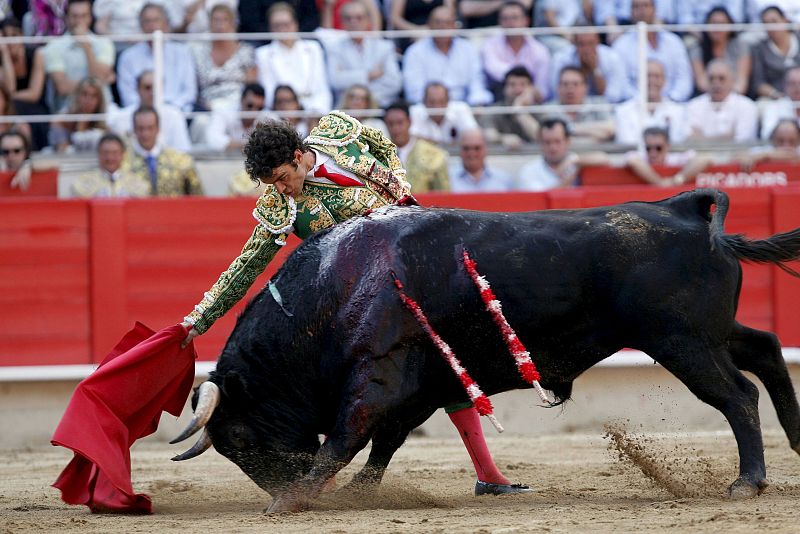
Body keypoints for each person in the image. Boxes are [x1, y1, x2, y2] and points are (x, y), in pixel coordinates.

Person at [181, 111, 530, 496]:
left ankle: (488, 474)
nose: (280, 189)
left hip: (414, 270)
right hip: (358, 305)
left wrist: (398, 182)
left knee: (447, 367)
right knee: (351, 379)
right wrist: (198, 320)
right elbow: (246, 266)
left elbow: (381, 143)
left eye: (282, 177)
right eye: (271, 184)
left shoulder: (335, 131)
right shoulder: (280, 208)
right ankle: (325, 476)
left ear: (298, 156)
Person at [402, 6, 493, 106]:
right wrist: (436, 104)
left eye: (447, 23)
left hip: (464, 107)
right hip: (429, 108)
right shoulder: (415, 52)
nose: (442, 27)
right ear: (429, 25)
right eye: (438, 22)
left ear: (455, 26)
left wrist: (476, 103)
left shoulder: (468, 49)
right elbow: (414, 92)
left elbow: (477, 83)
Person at [116, 3, 198, 113]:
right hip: (141, 117)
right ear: (141, 25)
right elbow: (128, 97)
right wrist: (149, 112)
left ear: (165, 24)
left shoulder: (182, 52)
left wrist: (171, 110)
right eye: (147, 21)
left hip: (179, 113)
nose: (152, 26)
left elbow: (189, 92)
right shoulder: (128, 57)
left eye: (156, 20)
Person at [255, 3, 332, 114]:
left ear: (295, 24)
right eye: (277, 25)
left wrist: (317, 112)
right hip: (280, 112)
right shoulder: (262, 54)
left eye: (286, 24)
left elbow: (321, 87)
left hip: (313, 109)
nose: (282, 29)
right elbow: (269, 91)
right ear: (270, 28)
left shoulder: (313, 48)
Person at [611, 0, 694, 102]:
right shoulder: (621, 45)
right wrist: (642, 102)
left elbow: (684, 79)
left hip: (672, 106)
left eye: (646, 6)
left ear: (655, 10)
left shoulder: (673, 41)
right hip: (634, 107)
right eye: (636, 7)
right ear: (630, 12)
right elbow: (621, 84)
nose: (642, 11)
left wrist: (669, 100)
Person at [42, 0, 115, 113]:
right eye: (75, 16)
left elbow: (98, 77)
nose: (79, 21)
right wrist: (99, 82)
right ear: (66, 18)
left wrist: (86, 47)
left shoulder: (104, 43)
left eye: (83, 16)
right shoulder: (53, 47)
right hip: (70, 109)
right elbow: (62, 87)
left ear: (90, 18)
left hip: (104, 109)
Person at [326, 0, 402, 108]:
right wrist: (368, 75)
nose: (354, 22)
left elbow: (394, 83)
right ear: (342, 23)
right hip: (346, 110)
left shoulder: (384, 47)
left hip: (380, 107)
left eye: (359, 18)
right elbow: (335, 80)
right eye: (348, 18)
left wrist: (365, 100)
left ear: (368, 21)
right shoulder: (334, 48)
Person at [190, 3, 257, 111]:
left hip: (238, 107)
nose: (220, 25)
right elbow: (194, 88)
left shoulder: (246, 51)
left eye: (224, 20)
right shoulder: (198, 52)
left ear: (233, 24)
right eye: (216, 20)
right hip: (207, 107)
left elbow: (251, 86)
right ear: (209, 23)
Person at [125, 106, 204, 196]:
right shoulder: (122, 162)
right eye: (141, 128)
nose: (145, 134)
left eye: (150, 128)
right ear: (134, 130)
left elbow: (197, 197)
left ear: (158, 129)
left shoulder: (180, 161)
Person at [480, 1, 550, 102]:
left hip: (530, 101)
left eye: (515, 18)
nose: (510, 23)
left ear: (526, 21)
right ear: (499, 22)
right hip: (499, 99)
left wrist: (525, 91)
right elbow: (494, 70)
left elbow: (543, 89)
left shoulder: (540, 50)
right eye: (505, 19)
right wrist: (520, 82)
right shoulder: (489, 45)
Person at [107, 71, 191, 152]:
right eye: (147, 88)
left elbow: (182, 150)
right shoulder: (121, 118)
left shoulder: (174, 115)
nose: (152, 92)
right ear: (138, 89)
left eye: (156, 88)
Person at [517, 117, 609, 191]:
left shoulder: (574, 160)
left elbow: (604, 158)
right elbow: (542, 200)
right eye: (547, 142)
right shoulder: (529, 171)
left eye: (557, 141)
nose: (553, 147)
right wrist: (570, 177)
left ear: (567, 141)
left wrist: (575, 160)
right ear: (540, 143)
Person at [614, 60, 688, 146]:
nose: (652, 81)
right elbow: (627, 143)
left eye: (657, 76)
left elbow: (677, 141)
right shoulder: (623, 111)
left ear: (664, 80)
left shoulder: (678, 111)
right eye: (647, 76)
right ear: (639, 80)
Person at [549, 25, 630, 104]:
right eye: (581, 44)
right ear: (574, 43)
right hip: (570, 108)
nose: (586, 49)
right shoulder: (561, 59)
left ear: (597, 42)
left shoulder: (612, 58)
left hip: (601, 109)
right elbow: (556, 94)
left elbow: (613, 97)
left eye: (590, 43)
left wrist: (595, 70)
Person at [0, 17, 48, 150]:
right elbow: (10, 88)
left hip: (34, 106)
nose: (10, 41)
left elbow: (34, 94)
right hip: (9, 108)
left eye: (14, 35)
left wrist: (9, 97)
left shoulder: (35, 54)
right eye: (5, 36)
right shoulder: (1, 58)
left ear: (21, 35)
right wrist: (4, 54)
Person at [384, 100, 450, 193]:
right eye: (391, 124)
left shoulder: (433, 154)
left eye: (400, 123)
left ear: (409, 122)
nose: (395, 129)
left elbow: (444, 194)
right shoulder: (379, 154)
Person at [685, 59, 758, 142]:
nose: (716, 83)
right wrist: (727, 137)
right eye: (711, 79)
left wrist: (702, 138)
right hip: (701, 154)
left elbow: (742, 140)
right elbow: (690, 139)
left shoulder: (747, 106)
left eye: (721, 79)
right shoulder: (694, 106)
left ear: (732, 81)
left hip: (738, 154)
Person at [688, 6, 751, 96]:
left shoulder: (740, 46)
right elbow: (701, 83)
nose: (717, 27)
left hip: (735, 97)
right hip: (708, 98)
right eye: (713, 23)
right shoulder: (697, 50)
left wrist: (726, 97)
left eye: (721, 23)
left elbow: (741, 83)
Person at [625, 126, 713, 186]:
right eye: (648, 148)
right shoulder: (641, 157)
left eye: (658, 148)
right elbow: (632, 161)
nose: (653, 153)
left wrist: (677, 179)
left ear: (668, 146)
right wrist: (659, 182)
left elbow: (704, 159)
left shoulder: (676, 158)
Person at [71, 132, 152, 197]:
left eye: (115, 153)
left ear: (122, 155)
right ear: (99, 154)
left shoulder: (137, 183)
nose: (110, 158)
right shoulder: (83, 183)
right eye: (105, 153)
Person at [550, 66, 616, 143]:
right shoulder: (547, 109)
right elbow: (546, 139)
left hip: (595, 152)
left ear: (586, 87)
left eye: (575, 84)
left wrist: (570, 128)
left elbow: (611, 129)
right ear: (558, 87)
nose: (570, 89)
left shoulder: (598, 104)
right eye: (565, 84)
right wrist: (594, 135)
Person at [482, 67, 541, 149]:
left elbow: (540, 137)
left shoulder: (540, 109)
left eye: (523, 84)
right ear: (504, 89)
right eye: (512, 85)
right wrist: (502, 138)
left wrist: (519, 110)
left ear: (531, 89)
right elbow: (488, 134)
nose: (517, 89)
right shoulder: (494, 110)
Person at [751, 5, 800, 100]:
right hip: (776, 98)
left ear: (785, 20)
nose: (771, 27)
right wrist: (776, 95)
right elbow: (758, 83)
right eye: (766, 23)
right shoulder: (759, 49)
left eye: (774, 21)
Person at [205, 83, 272, 151]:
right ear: (241, 100)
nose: (254, 111)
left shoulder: (267, 115)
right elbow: (213, 139)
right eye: (250, 105)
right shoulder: (224, 112)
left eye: (259, 108)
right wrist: (249, 145)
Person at [48, 77, 108, 153]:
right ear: (77, 96)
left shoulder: (104, 123)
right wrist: (81, 129)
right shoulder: (60, 122)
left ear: (100, 101)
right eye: (84, 94)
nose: (88, 100)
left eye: (94, 96)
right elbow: (63, 152)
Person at [409, 82, 479, 146]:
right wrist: (448, 144)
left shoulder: (461, 109)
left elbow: (474, 137)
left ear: (448, 100)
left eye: (441, 101)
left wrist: (429, 142)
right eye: (432, 102)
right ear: (424, 101)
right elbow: (409, 138)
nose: (437, 106)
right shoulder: (414, 112)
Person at [449, 129, 515, 193]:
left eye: (477, 148)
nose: (471, 153)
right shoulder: (448, 180)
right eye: (466, 148)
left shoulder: (504, 180)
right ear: (460, 150)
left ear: (486, 149)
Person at [760, 67, 800, 139]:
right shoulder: (773, 107)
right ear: (785, 86)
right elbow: (767, 135)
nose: (797, 87)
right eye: (792, 83)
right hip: (781, 149)